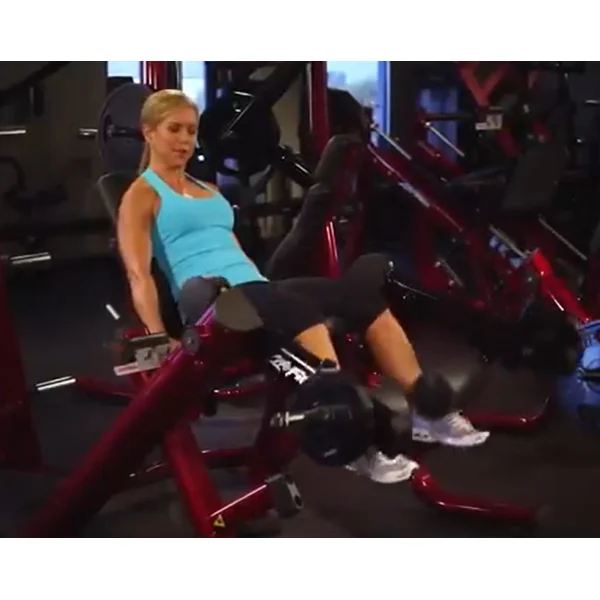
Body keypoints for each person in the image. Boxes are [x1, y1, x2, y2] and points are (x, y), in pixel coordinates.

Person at [117, 89, 490, 486]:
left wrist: (266, 291)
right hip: (211, 301)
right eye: (174, 129)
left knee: (361, 298)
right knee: (298, 312)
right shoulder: (141, 194)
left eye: (191, 131)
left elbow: (233, 250)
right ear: (149, 132)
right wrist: (159, 338)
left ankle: (427, 411)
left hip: (254, 289)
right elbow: (139, 275)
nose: (184, 140)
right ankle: (355, 441)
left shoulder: (208, 190)